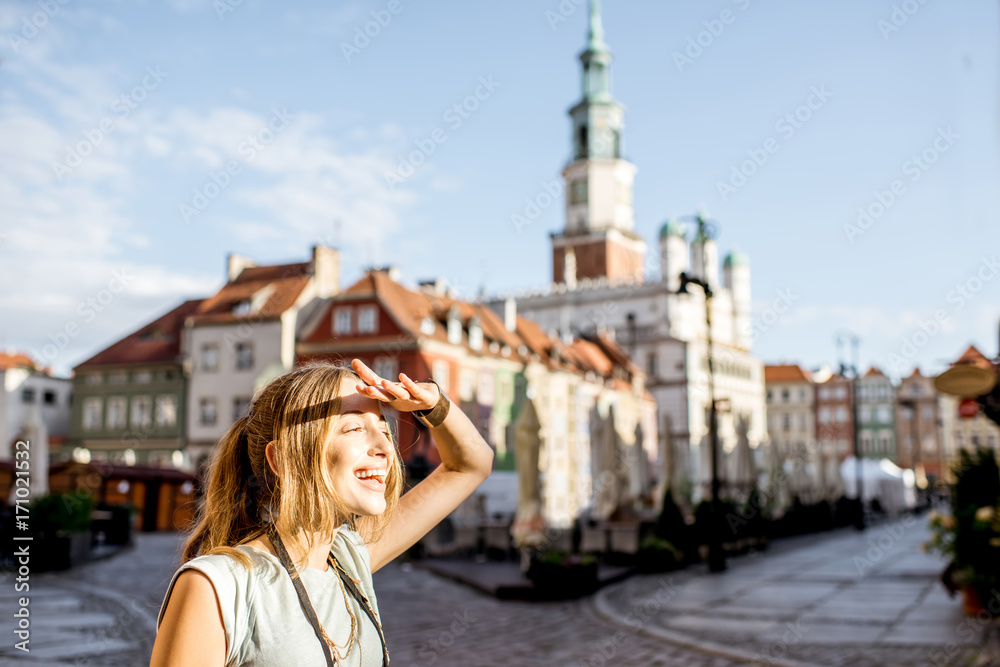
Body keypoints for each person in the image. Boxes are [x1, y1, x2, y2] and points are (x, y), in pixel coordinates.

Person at [150, 359, 494, 666]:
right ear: (283, 459)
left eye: (384, 428)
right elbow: (466, 467)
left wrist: (432, 402)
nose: (386, 448)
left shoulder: (348, 558)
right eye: (356, 428)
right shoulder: (217, 585)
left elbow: (472, 464)